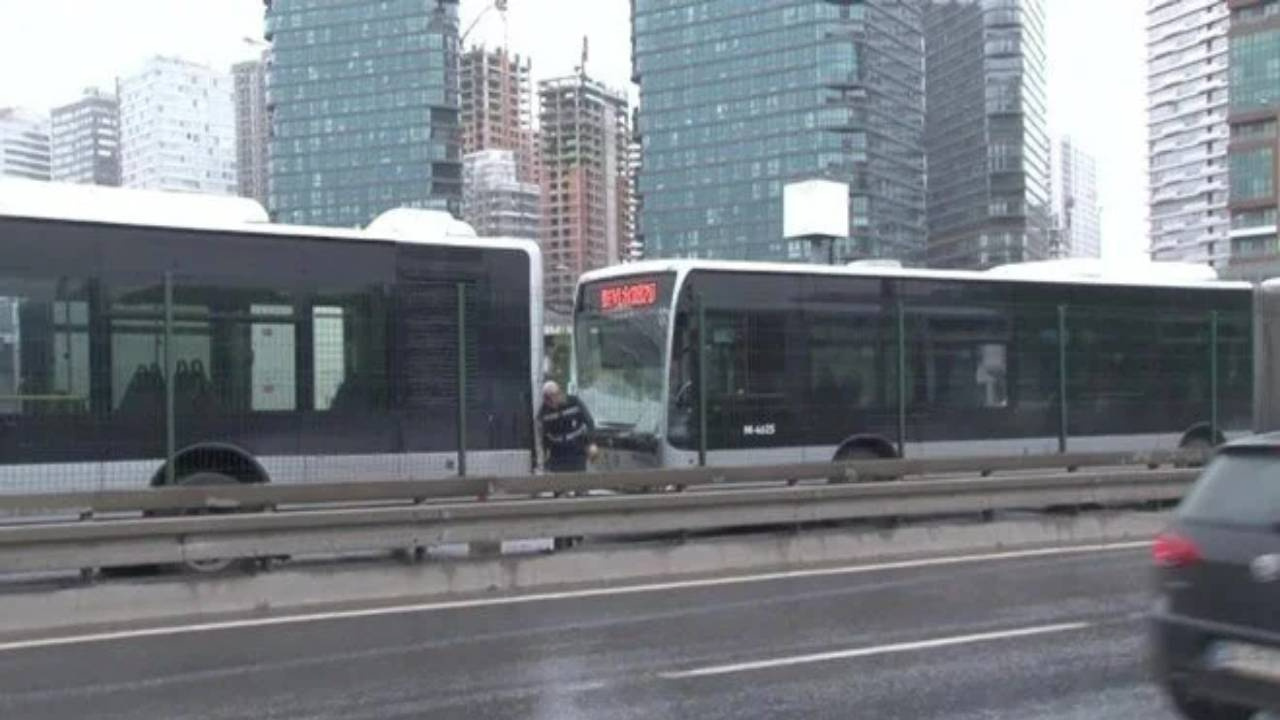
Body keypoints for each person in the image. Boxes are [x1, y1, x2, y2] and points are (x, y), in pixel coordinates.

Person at [537, 380, 596, 473]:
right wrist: (544, 453)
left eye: (554, 397)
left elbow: (589, 422)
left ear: (559, 393)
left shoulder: (574, 402)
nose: (553, 403)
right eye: (548, 400)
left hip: (577, 451)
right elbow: (543, 435)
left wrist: (592, 443)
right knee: (560, 484)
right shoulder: (544, 413)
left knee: (577, 483)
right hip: (557, 454)